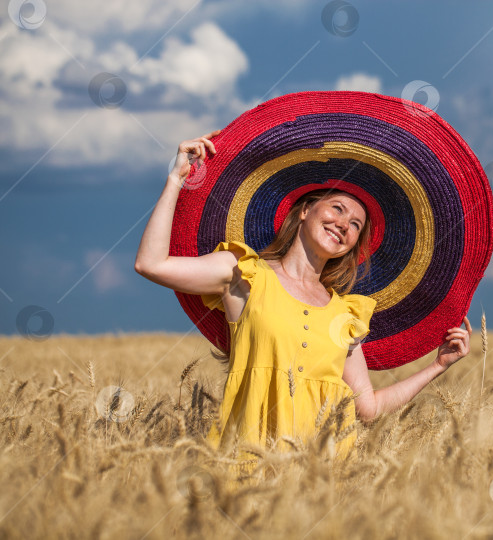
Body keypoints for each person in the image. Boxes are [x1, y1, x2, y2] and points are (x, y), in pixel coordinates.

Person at [134, 131, 473, 469]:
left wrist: (438, 366)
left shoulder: (347, 314)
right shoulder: (244, 273)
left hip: (322, 480)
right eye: (337, 208)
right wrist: (176, 179)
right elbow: (151, 264)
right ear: (304, 211)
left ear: (354, 245)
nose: (343, 225)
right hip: (246, 466)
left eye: (355, 224)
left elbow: (367, 409)